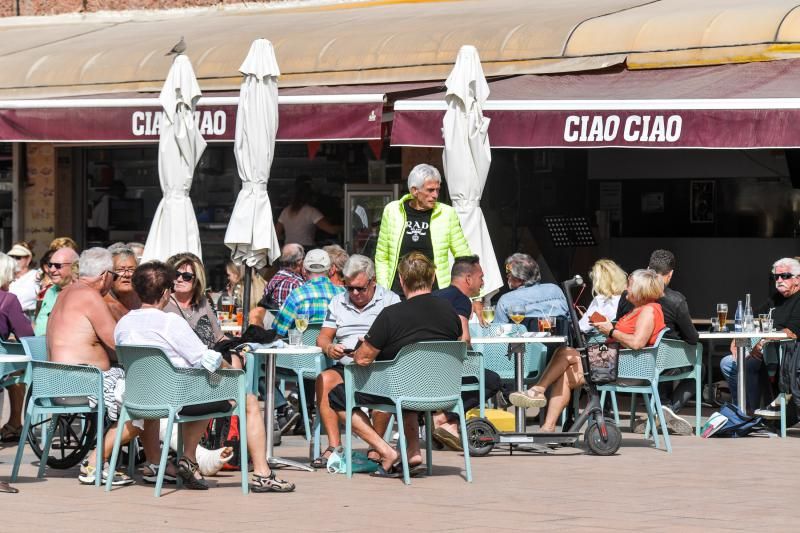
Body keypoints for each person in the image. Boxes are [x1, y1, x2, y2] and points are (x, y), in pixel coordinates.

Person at [114, 262, 295, 492]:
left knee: (206, 390)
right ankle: (262, 473)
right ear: (165, 292)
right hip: (177, 399)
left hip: (141, 398)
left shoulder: (124, 323)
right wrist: (232, 369)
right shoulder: (171, 323)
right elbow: (207, 359)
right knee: (247, 399)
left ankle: (188, 459)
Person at [327, 252, 462, 476]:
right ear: (433, 276)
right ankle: (413, 451)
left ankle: (385, 451)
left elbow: (362, 359)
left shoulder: (391, 315)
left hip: (401, 391)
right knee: (410, 378)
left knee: (338, 395)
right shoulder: (450, 312)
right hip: (443, 390)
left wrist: (366, 344)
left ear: (401, 280)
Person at [509, 269, 666, 432]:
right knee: (564, 374)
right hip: (613, 360)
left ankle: (537, 390)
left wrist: (610, 331)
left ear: (641, 290)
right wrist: (609, 326)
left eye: (630, 285)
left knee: (565, 353)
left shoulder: (649, 311)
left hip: (623, 366)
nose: (626, 289)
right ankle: (547, 427)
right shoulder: (639, 309)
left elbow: (637, 343)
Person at [46, 247, 136, 485]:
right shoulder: (90, 296)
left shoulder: (66, 292)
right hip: (84, 383)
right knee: (147, 396)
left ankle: (155, 461)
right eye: (114, 276)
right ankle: (97, 462)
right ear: (106, 275)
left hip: (55, 381)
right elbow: (118, 344)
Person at [311, 255, 400, 468]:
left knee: (383, 393)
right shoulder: (338, 301)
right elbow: (323, 336)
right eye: (349, 288)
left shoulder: (390, 300)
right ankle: (334, 446)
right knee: (324, 380)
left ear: (373, 281)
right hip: (346, 364)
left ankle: (376, 448)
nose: (355, 294)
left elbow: (399, 339)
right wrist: (329, 348)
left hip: (379, 366)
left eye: (360, 288)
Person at [616, 250, 699, 435]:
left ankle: (658, 411)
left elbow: (618, 322)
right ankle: (667, 409)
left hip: (630, 361)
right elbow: (692, 338)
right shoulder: (676, 300)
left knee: (662, 358)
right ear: (670, 274)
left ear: (647, 269)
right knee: (696, 365)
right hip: (662, 363)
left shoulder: (628, 296)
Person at [431, 255, 508, 450]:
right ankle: (444, 419)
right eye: (480, 277)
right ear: (468, 278)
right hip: (446, 369)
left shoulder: (436, 296)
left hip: (424, 369)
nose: (482, 282)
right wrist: (472, 358)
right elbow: (463, 338)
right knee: (490, 380)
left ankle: (446, 423)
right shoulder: (461, 299)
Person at [375, 163, 471, 296]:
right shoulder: (392, 211)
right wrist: (384, 291)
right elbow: (382, 256)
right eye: (430, 190)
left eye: (438, 189)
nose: (435, 195)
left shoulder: (447, 213)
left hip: (436, 293)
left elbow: (463, 256)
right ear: (414, 190)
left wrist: (474, 295)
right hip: (398, 293)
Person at [722, 257, 800, 414]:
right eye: (776, 277)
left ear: (797, 278)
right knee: (728, 363)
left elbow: (791, 332)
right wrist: (738, 338)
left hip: (787, 356)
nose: (779, 280)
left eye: (784, 276)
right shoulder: (775, 298)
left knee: (748, 364)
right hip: (764, 349)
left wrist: (763, 342)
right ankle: (743, 411)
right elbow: (753, 317)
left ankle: (752, 411)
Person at [0, 253, 35, 443]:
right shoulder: (8, 299)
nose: (14, 278)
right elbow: (27, 336)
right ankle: (14, 423)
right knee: (18, 369)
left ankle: (13, 424)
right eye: (11, 273)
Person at [271, 248, 344, 337]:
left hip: (303, 349)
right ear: (330, 270)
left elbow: (278, 331)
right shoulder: (343, 293)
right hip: (333, 349)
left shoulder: (297, 295)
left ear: (304, 270)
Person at [164, 252, 224, 349]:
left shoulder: (203, 302)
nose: (179, 279)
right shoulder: (164, 303)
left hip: (210, 359)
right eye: (176, 274)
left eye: (186, 276)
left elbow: (219, 338)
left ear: (197, 279)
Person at [493, 253, 569, 327]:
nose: (507, 276)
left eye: (509, 273)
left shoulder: (505, 300)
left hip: (524, 339)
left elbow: (498, 333)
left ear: (520, 278)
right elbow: (569, 320)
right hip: (558, 338)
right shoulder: (555, 290)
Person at [250, 243, 305, 327]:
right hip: (291, 331)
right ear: (299, 261)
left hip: (271, 329)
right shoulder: (298, 283)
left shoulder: (274, 279)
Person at [275, 178, 341, 248]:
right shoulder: (311, 211)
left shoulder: (285, 211)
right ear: (310, 197)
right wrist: (345, 227)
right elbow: (331, 230)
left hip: (288, 250)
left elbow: (276, 233)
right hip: (305, 249)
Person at [34, 245, 79, 336]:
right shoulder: (50, 290)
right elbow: (39, 322)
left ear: (74, 266)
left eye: (58, 266)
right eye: (50, 265)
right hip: (38, 347)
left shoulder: (80, 293)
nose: (51, 270)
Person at [578, 259, 627, 334]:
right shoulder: (628, 297)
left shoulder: (601, 300)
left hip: (605, 342)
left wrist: (585, 316)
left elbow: (582, 327)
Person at [103, 246, 141, 321]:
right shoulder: (101, 304)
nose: (126, 275)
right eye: (120, 270)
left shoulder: (145, 299)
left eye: (131, 269)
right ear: (109, 273)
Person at [7, 241, 38, 319]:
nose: (14, 260)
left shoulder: (36, 275)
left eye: (18, 257)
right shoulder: (5, 277)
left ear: (28, 259)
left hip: (28, 319)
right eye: (11, 257)